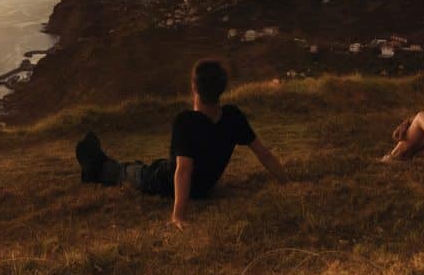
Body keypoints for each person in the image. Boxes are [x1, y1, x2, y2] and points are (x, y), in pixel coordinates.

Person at [75, 59, 289, 230]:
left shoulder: (186, 121)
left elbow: (183, 171)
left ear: (194, 86)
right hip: (202, 186)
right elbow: (265, 154)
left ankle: (93, 165)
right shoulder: (233, 116)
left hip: (164, 182)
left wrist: (178, 216)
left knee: (127, 173)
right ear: (222, 88)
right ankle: (103, 160)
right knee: (143, 166)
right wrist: (286, 182)